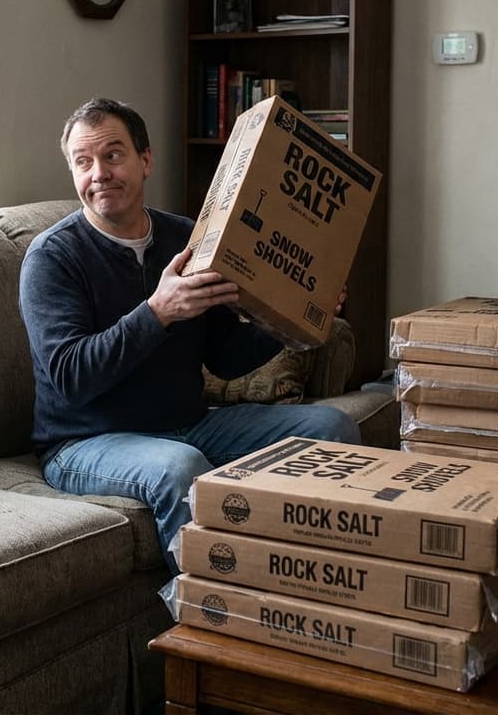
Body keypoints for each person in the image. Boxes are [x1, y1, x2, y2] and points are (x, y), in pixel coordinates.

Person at [19, 97, 360, 573]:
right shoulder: (52, 258)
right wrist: (157, 313)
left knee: (333, 431)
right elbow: (72, 377)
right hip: (85, 441)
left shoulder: (187, 239)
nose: (98, 173)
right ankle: (216, 612)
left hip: (188, 423)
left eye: (113, 155)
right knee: (179, 467)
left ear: (145, 159)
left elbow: (225, 355)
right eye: (83, 162)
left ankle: (318, 583)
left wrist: (293, 322)